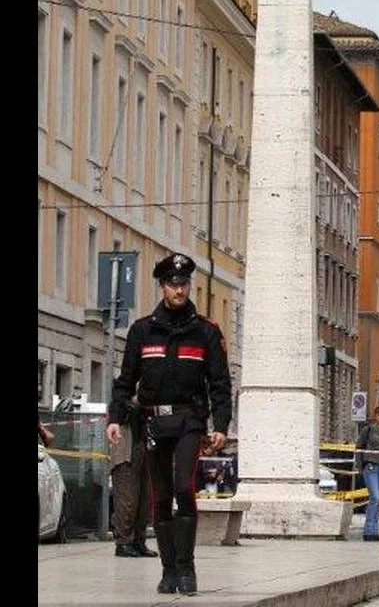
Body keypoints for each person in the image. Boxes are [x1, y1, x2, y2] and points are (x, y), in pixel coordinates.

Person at [107, 253, 231, 595]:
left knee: (182, 488)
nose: (179, 290)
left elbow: (220, 383)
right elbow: (125, 379)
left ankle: (187, 569)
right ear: (162, 286)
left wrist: (220, 424)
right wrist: (115, 417)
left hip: (189, 420)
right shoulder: (143, 330)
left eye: (184, 284)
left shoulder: (205, 331)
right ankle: (168, 570)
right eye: (173, 284)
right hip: (152, 423)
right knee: (160, 497)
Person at [109, 397, 157, 558]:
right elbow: (119, 410)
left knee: (144, 499)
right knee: (127, 498)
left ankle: (138, 541)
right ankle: (124, 542)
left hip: (142, 445)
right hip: (125, 449)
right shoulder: (122, 398)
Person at [354, 406, 379, 542]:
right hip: (370, 465)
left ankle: (374, 532)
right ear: (375, 416)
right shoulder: (368, 429)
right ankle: (368, 530)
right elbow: (359, 447)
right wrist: (360, 466)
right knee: (375, 497)